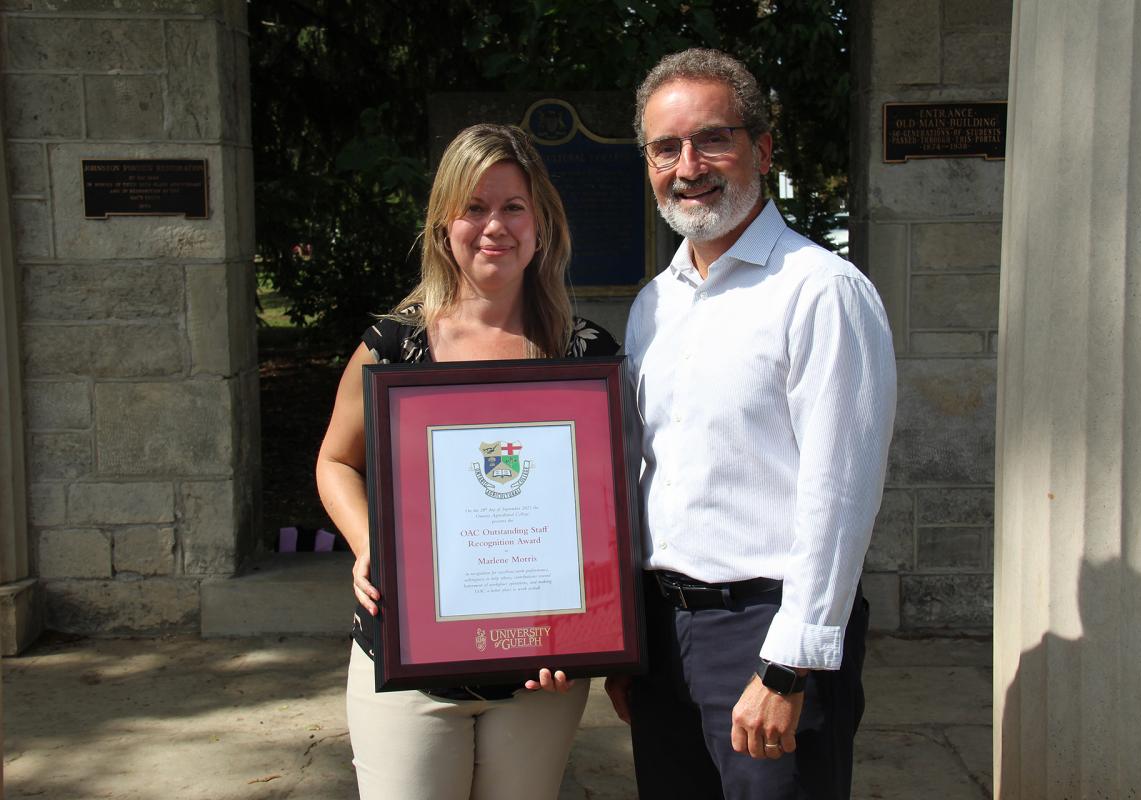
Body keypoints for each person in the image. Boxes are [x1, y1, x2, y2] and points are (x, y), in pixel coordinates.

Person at [605, 49, 897, 800]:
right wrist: (621, 638)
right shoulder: (653, 305)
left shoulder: (821, 292)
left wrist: (788, 665)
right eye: (665, 148)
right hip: (663, 636)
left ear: (762, 149)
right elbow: (646, 476)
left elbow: (840, 496)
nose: (688, 165)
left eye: (713, 139)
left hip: (766, 633)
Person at [316, 123, 619, 800]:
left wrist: (592, 623)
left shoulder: (588, 354)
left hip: (541, 668)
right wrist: (371, 548)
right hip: (408, 656)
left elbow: (606, 507)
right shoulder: (394, 345)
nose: (494, 226)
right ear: (442, 224)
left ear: (541, 222)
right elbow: (336, 462)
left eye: (513, 206)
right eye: (474, 207)